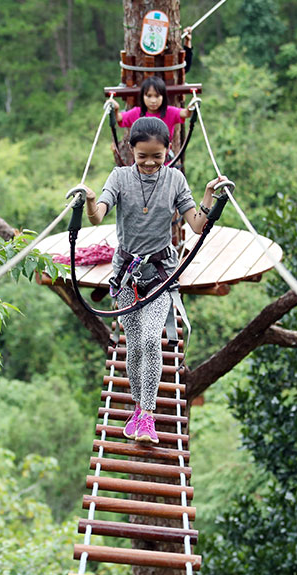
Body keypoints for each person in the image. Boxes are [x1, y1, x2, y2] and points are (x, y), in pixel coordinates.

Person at [77, 117, 221, 444]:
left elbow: (198, 225)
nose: (150, 163)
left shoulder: (175, 180)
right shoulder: (119, 178)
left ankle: (147, 415)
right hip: (126, 274)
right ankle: (137, 404)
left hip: (161, 273)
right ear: (131, 151)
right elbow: (98, 215)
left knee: (151, 341)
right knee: (135, 345)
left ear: (168, 150)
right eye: (143, 157)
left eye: (157, 156)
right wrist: (87, 198)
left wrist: (209, 195)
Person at [105, 76, 192, 143]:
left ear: (163, 97)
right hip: (141, 160)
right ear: (143, 97)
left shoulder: (169, 112)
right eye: (149, 96)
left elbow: (186, 113)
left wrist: (192, 106)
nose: (153, 101)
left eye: (157, 96)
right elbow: (119, 118)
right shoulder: (136, 113)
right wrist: (115, 109)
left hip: (164, 160)